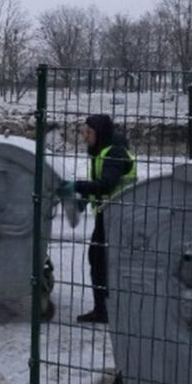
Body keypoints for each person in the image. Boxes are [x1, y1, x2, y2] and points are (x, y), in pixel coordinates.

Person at [57, 114, 136, 324]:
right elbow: (101, 187)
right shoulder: (103, 152)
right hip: (108, 213)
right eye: (83, 132)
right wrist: (85, 198)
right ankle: (104, 308)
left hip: (118, 215)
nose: (85, 137)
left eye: (88, 132)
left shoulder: (114, 153)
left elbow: (107, 185)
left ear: (99, 133)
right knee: (99, 260)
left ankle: (104, 310)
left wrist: (77, 186)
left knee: (102, 261)